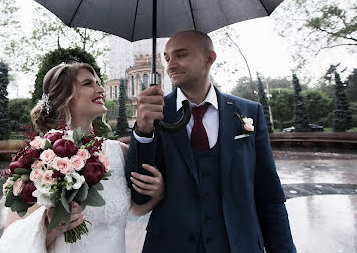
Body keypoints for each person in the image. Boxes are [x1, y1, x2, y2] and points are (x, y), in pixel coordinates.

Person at [126, 30, 296, 253]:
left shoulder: (249, 112)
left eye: (181, 55)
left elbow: (269, 195)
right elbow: (139, 195)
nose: (170, 65)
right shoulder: (154, 115)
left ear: (209, 58)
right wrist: (144, 132)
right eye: (167, 58)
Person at [0, 63, 165, 253]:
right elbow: (11, 237)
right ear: (64, 97)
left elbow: (135, 209)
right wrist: (48, 227)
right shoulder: (39, 157)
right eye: (88, 83)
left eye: (98, 83)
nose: (100, 89)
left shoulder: (119, 152)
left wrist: (157, 194)